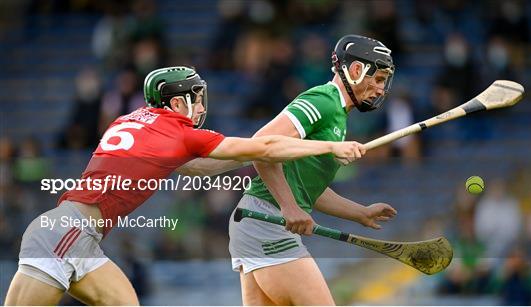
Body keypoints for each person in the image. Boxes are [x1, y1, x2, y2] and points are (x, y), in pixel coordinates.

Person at [4, 66, 367, 305]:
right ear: (177, 102)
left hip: (78, 238)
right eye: (195, 98)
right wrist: (330, 146)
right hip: (66, 234)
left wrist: (250, 155)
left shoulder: (132, 120)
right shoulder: (175, 130)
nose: (199, 107)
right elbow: (267, 145)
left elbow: (198, 168)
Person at [228, 35, 398, 305]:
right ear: (356, 71)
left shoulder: (339, 116)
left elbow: (307, 188)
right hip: (266, 219)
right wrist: (289, 207)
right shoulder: (325, 101)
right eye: (377, 79)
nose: (380, 90)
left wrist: (360, 213)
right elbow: (260, 148)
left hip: (254, 219)